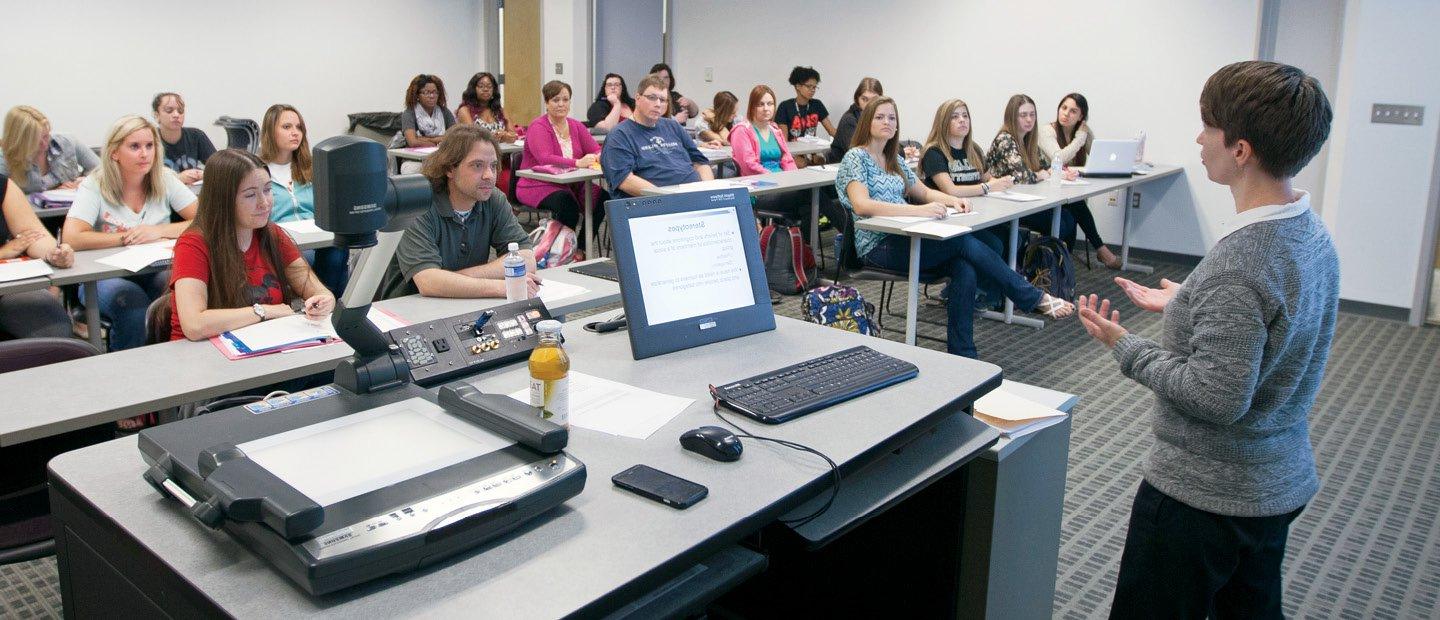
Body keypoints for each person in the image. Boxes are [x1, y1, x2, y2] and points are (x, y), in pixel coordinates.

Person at [1077, 61, 1336, 619]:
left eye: (1208, 126)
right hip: (1274, 480)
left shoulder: (1238, 265)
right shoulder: (1308, 230)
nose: (1198, 138)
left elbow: (1217, 396)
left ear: (1240, 150)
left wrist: (1127, 346)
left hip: (1205, 496)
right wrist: (1192, 301)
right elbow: (1279, 319)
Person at [836, 97, 1072, 358]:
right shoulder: (855, 157)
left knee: (965, 268)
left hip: (907, 237)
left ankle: (963, 354)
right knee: (962, 242)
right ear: (867, 120)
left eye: (892, 118)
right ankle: (1031, 297)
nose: (887, 123)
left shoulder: (893, 158)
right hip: (877, 245)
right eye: (880, 117)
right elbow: (861, 205)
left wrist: (954, 200)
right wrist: (918, 210)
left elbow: (924, 192)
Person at [62, 115, 197, 351]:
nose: (144, 154)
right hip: (103, 276)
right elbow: (72, 237)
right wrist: (125, 237)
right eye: (134, 147)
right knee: (133, 306)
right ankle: (131, 378)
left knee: (179, 292)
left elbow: (205, 220)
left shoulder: (164, 178)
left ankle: (173, 366)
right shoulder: (95, 184)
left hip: (153, 269)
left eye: (149, 146)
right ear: (114, 152)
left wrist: (159, 231)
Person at [169, 149, 334, 342]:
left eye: (267, 190)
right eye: (250, 195)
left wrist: (324, 301)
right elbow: (194, 325)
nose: (264, 203)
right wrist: (264, 311)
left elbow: (317, 291)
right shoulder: (193, 244)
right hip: (203, 355)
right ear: (223, 200)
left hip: (262, 345)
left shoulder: (272, 235)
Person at [381, 125, 541, 299]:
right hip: (410, 310)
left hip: (466, 303)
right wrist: (504, 287)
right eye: (477, 166)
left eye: (493, 166)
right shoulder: (417, 204)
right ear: (450, 168)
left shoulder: (493, 199)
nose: (489, 175)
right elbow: (428, 282)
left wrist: (453, 281)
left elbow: (526, 259)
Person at [259, 104, 349, 295]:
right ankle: (322, 301)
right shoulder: (257, 171)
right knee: (304, 258)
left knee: (338, 249)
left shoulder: (312, 168)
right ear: (270, 131)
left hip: (317, 237)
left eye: (299, 127)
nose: (295, 133)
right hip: (280, 242)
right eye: (287, 127)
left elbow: (328, 208)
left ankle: (330, 306)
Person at [517, 81, 606, 251]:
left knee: (602, 199)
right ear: (546, 103)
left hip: (571, 183)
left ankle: (581, 249)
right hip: (537, 184)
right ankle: (561, 251)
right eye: (556, 100)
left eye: (565, 100)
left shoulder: (576, 125)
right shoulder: (538, 126)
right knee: (567, 206)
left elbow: (595, 149)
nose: (561, 104)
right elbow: (545, 158)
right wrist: (578, 163)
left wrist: (599, 156)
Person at [1039, 93, 1121, 268]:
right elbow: (1058, 158)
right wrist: (1080, 139)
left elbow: (1100, 156)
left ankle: (1066, 265)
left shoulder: (1082, 132)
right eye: (1064, 108)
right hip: (1046, 191)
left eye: (1073, 111)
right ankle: (1099, 247)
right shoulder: (1048, 131)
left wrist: (1086, 135)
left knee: (1074, 208)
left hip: (1067, 192)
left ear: (1081, 116)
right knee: (1076, 207)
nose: (1066, 114)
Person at [601, 73, 714, 198]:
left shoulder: (673, 126)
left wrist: (708, 192)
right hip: (656, 202)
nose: (658, 104)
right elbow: (625, 180)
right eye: (652, 97)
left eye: (663, 100)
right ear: (637, 98)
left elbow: (701, 163)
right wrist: (669, 198)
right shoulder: (619, 135)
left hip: (692, 197)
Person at [984, 94, 1077, 244]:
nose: (1029, 119)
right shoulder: (1005, 139)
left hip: (1025, 199)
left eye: (1032, 115)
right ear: (1012, 117)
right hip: (1005, 204)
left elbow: (1046, 167)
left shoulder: (1028, 139)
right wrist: (1042, 174)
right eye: (1023, 115)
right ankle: (1041, 263)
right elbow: (1024, 177)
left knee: (1068, 218)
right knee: (1060, 223)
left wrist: (1063, 174)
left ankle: (1060, 265)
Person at [0, 174, 74, 339]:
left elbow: (33, 234)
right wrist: (3, 253)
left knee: (55, 327)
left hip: (7, 287)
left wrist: (54, 253)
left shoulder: (4, 186)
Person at [920, 99, 1014, 199]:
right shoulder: (933, 152)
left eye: (965, 116)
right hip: (948, 210)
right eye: (954, 117)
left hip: (975, 206)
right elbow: (951, 190)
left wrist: (1002, 182)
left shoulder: (974, 149)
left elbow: (988, 179)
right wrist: (987, 187)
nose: (962, 120)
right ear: (943, 123)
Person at [0, 105, 99, 194]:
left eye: (46, 136)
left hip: (70, 210)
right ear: (19, 140)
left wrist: (84, 182)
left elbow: (101, 170)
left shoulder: (66, 142)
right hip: (29, 212)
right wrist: (53, 192)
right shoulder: (5, 160)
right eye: (36, 141)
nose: (44, 144)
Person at [776, 66, 836, 166]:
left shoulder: (817, 104)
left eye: (814, 87)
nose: (812, 90)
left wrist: (851, 141)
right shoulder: (785, 106)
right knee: (801, 164)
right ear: (798, 86)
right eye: (809, 86)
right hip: (794, 153)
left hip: (813, 151)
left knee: (821, 160)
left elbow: (831, 130)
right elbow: (784, 142)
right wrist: (792, 157)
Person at [152, 92, 216, 185]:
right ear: (157, 116)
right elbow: (144, 176)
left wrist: (205, 174)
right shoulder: (150, 139)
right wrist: (177, 178)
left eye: (180, 111)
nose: (176, 115)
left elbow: (219, 166)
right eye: (169, 110)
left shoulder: (196, 135)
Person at [830, 77, 883, 162]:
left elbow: (891, 144)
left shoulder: (881, 118)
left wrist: (900, 152)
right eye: (864, 99)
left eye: (874, 100)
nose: (869, 104)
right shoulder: (849, 120)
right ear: (857, 99)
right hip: (842, 169)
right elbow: (859, 155)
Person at [395, 74, 456, 148]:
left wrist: (421, 139)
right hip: (415, 156)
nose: (432, 96)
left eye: (435, 92)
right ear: (417, 95)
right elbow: (413, 142)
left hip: (442, 155)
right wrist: (438, 142)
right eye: (426, 93)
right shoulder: (409, 113)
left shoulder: (445, 111)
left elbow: (455, 138)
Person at [456, 72, 520, 143]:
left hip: (502, 153)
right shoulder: (465, 110)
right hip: (476, 153)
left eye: (489, 86)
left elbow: (513, 136)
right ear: (473, 89)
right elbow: (473, 138)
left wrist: (505, 135)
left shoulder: (500, 111)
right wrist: (497, 136)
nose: (486, 89)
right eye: (481, 86)